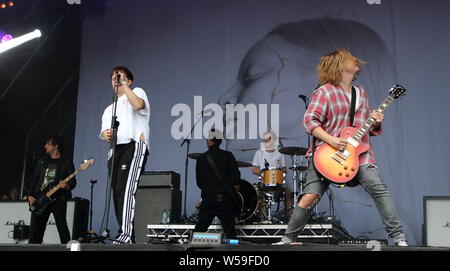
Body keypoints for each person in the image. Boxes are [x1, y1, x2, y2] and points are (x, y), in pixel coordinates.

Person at [273, 49, 408, 246]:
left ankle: (398, 238)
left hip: (360, 154)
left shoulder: (361, 92)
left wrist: (376, 121)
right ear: (339, 64)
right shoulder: (324, 92)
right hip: (326, 153)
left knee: (379, 189)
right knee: (310, 196)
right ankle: (288, 238)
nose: (355, 60)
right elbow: (309, 122)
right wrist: (332, 140)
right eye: (349, 58)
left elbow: (365, 127)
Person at [100, 66, 150, 244]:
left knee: (126, 191)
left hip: (133, 145)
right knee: (117, 193)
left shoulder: (137, 91)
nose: (116, 80)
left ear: (129, 80)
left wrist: (125, 86)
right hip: (115, 150)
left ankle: (126, 235)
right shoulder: (109, 109)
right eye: (113, 77)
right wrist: (106, 135)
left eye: (120, 77)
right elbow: (104, 133)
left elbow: (139, 105)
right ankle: (126, 234)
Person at [26, 136, 76, 244]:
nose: (45, 146)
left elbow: (73, 182)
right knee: (36, 228)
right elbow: (34, 179)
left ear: (55, 146)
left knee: (61, 224)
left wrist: (66, 185)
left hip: (58, 199)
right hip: (41, 198)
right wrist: (29, 195)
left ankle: (67, 247)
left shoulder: (66, 163)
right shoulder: (42, 162)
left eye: (48, 144)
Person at [194, 129, 241, 239]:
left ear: (210, 140)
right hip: (225, 199)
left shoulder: (201, 159)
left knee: (199, 230)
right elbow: (236, 178)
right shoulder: (228, 156)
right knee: (230, 233)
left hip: (208, 199)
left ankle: (192, 250)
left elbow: (199, 183)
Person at [251, 130, 293, 217]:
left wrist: (280, 171)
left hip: (278, 183)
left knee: (288, 192)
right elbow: (254, 169)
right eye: (265, 139)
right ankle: (260, 217)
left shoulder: (280, 153)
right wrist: (265, 173)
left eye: (269, 139)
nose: (266, 141)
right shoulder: (259, 152)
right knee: (258, 193)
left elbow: (284, 169)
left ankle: (289, 217)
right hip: (264, 183)